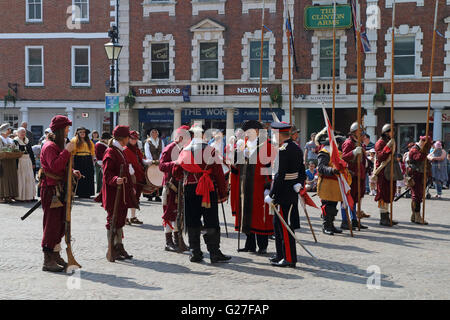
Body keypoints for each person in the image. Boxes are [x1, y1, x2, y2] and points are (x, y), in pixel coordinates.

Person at [172, 124, 230, 264]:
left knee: (192, 221)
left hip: (190, 189)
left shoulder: (184, 151)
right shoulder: (210, 150)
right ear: (203, 135)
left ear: (191, 135)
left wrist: (187, 175)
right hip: (208, 189)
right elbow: (218, 173)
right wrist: (223, 191)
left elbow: (176, 172)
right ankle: (214, 253)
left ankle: (195, 252)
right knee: (211, 221)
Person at [39, 115, 81, 272]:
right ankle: (47, 259)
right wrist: (67, 152)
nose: (68, 132)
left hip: (59, 189)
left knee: (60, 225)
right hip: (51, 191)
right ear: (59, 131)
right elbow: (55, 166)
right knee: (51, 225)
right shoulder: (49, 146)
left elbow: (60, 166)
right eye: (66, 129)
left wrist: (72, 171)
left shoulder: (57, 146)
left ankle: (55, 254)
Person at [264, 122, 305, 268]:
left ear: (279, 134)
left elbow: (280, 175)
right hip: (290, 190)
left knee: (285, 227)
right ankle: (280, 254)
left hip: (284, 193)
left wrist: (272, 194)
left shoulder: (283, 150)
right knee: (277, 225)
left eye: (274, 134)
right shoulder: (296, 148)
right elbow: (302, 170)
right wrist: (299, 182)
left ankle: (289, 258)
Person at [95, 125, 137, 261]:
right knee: (112, 220)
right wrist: (115, 179)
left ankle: (119, 246)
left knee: (119, 220)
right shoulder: (111, 152)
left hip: (122, 192)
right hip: (114, 193)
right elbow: (106, 175)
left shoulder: (120, 150)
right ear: (124, 139)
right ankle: (111, 247)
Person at [235, 120, 275, 255]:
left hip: (259, 186)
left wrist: (268, 186)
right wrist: (240, 155)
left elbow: (270, 167)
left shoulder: (267, 145)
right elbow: (238, 166)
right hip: (246, 186)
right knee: (247, 216)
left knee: (260, 217)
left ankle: (262, 245)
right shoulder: (245, 145)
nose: (246, 134)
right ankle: (249, 244)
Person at [159, 125, 191, 252]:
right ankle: (168, 241)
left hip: (181, 186)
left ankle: (178, 239)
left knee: (179, 214)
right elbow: (161, 166)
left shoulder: (185, 149)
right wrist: (175, 163)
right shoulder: (170, 148)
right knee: (169, 214)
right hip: (170, 185)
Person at [315, 127, 348, 236]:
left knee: (333, 206)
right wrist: (332, 170)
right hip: (326, 184)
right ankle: (326, 226)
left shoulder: (337, 152)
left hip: (335, 184)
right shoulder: (324, 152)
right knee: (327, 206)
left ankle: (331, 224)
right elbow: (321, 168)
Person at [340, 122, 369, 230]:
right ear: (354, 132)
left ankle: (354, 220)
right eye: (360, 131)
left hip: (358, 175)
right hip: (351, 175)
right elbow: (344, 157)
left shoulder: (358, 143)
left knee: (355, 199)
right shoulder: (348, 143)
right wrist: (353, 152)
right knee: (347, 199)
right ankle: (345, 220)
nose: (362, 133)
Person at [374, 124, 398, 226]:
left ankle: (387, 217)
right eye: (392, 131)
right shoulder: (380, 143)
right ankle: (383, 218)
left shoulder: (390, 141)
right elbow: (380, 157)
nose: (393, 133)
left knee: (389, 193)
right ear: (386, 132)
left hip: (390, 170)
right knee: (383, 194)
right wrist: (388, 146)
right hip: (383, 171)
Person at [123, 130, 147, 225]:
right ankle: (124, 217)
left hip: (138, 174)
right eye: (132, 138)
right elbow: (125, 162)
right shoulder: (125, 149)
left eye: (135, 139)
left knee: (136, 197)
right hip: (130, 175)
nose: (134, 140)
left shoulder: (137, 149)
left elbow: (141, 159)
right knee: (128, 197)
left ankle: (133, 217)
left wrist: (147, 162)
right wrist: (130, 170)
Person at [407, 136, 432, 224]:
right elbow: (418, 158)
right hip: (415, 174)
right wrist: (424, 151)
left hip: (420, 174)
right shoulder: (414, 149)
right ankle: (417, 216)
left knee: (417, 195)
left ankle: (414, 215)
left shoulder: (419, 149)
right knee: (417, 196)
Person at [71, 127, 95, 199]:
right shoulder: (74, 140)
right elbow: (72, 153)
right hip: (78, 159)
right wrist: (72, 163)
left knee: (88, 176)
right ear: (78, 133)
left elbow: (92, 152)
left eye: (83, 132)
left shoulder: (89, 141)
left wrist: (92, 160)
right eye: (80, 132)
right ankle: (79, 192)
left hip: (88, 159)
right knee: (79, 175)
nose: (82, 133)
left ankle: (87, 193)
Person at [14, 127, 36, 202]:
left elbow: (31, 152)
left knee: (29, 178)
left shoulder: (27, 141)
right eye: (21, 132)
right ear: (18, 133)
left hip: (28, 161)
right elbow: (15, 153)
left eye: (24, 132)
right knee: (21, 178)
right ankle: (20, 197)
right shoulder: (15, 141)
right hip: (20, 161)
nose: (23, 134)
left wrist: (33, 163)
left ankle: (29, 196)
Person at [144, 129, 165, 201]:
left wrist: (159, 160)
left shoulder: (161, 141)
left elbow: (163, 151)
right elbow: (147, 152)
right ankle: (150, 195)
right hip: (150, 161)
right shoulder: (147, 142)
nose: (154, 133)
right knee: (150, 178)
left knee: (158, 178)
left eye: (155, 132)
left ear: (158, 133)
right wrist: (151, 160)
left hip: (159, 161)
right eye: (152, 132)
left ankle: (157, 195)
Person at [0, 123, 19, 203]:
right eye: (8, 129)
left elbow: (15, 147)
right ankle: (1, 196)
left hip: (11, 161)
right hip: (3, 161)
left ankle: (8, 195)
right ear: (5, 130)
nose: (10, 130)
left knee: (10, 178)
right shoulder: (0, 139)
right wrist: (9, 148)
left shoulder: (10, 139)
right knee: (3, 179)